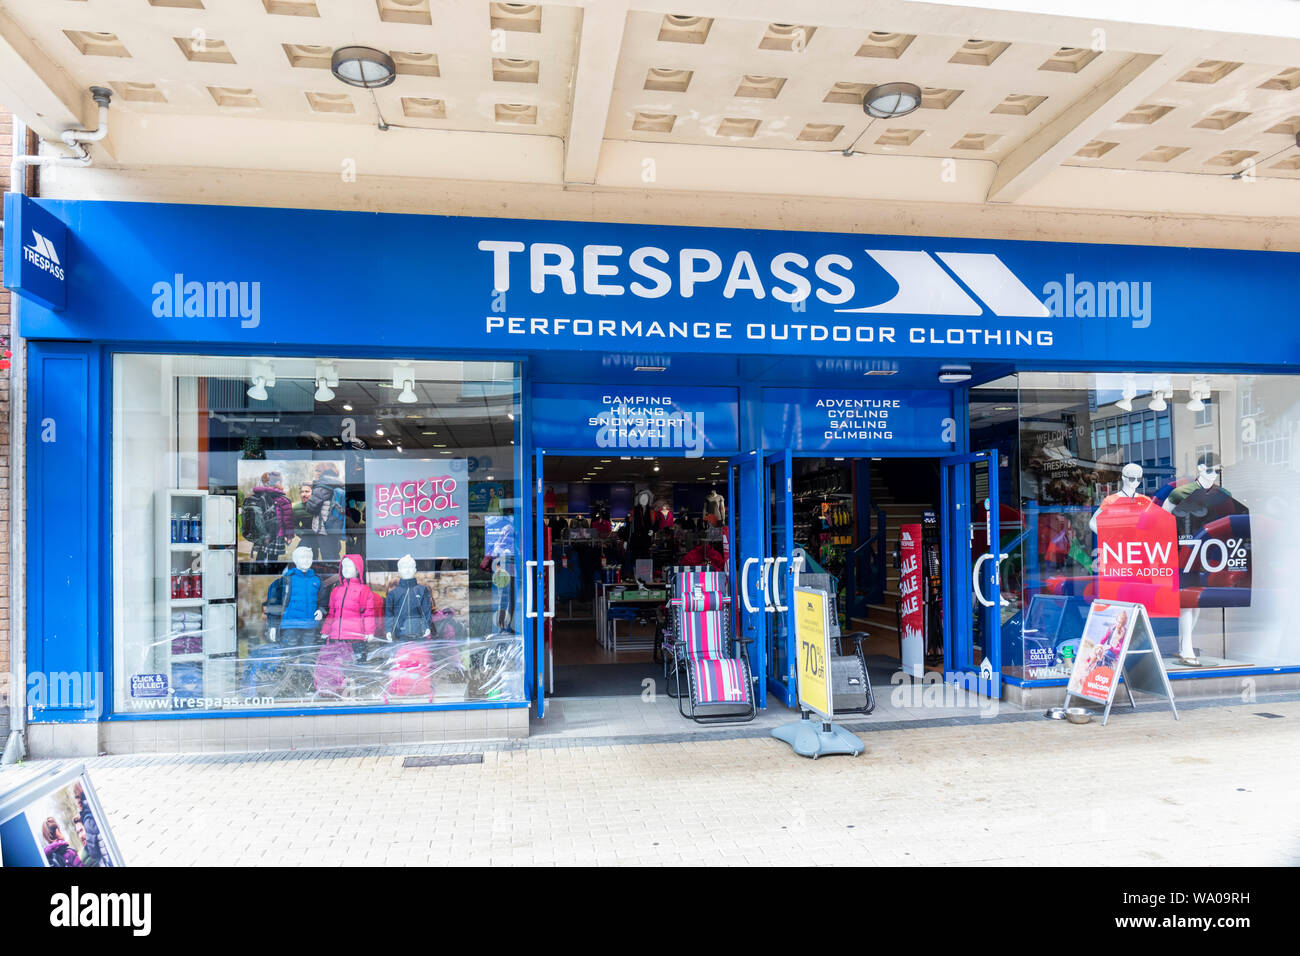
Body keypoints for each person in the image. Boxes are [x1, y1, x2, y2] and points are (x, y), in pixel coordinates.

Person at [72, 780, 108, 867]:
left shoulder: (88, 820)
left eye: (81, 830)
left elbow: (94, 852)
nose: (80, 836)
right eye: (78, 833)